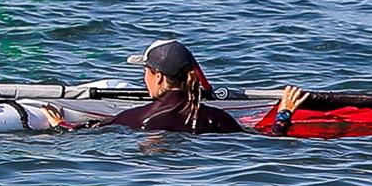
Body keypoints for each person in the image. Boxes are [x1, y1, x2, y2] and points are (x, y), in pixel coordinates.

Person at [107, 39, 306, 134]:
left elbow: (81, 130)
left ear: (158, 77)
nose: (144, 79)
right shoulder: (217, 119)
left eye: (145, 72)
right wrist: (284, 114)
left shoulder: (132, 118)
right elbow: (271, 144)